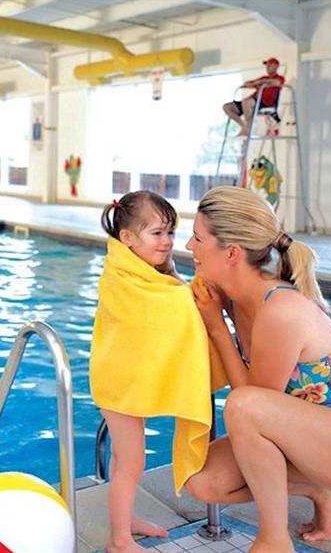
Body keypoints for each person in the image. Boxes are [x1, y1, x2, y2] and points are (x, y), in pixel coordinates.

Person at [184, 187, 331, 553]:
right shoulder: (237, 298)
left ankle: (273, 539)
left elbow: (252, 403)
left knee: (242, 408)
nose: (190, 247)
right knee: (204, 483)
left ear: (232, 253)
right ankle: (320, 487)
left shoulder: (280, 311)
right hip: (315, 438)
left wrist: (217, 328)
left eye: (198, 238)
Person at [90, 190, 226, 553]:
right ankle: (118, 540)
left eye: (170, 232)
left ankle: (126, 519)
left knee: (124, 459)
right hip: (118, 386)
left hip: (124, 382)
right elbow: (160, 310)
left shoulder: (144, 271)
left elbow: (167, 300)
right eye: (157, 234)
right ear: (128, 239)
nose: (167, 242)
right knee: (132, 461)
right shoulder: (121, 277)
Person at [223, 57, 285, 136]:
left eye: (270, 65)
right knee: (227, 107)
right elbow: (248, 83)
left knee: (246, 102)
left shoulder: (279, 78)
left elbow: (277, 83)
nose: (267, 67)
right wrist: (254, 83)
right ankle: (244, 126)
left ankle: (249, 128)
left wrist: (262, 82)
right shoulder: (263, 78)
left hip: (264, 103)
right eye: (267, 66)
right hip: (252, 102)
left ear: (276, 66)